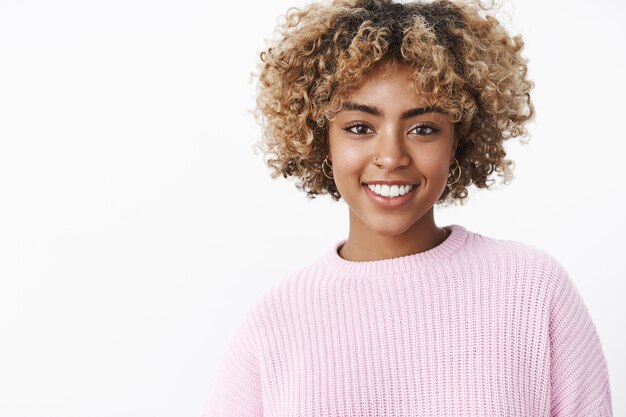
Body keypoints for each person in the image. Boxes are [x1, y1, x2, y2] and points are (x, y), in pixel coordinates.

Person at [203, 0, 613, 415]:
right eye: (360, 127)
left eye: (423, 128)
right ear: (320, 137)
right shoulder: (272, 326)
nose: (391, 155)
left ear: (459, 139)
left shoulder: (532, 291)